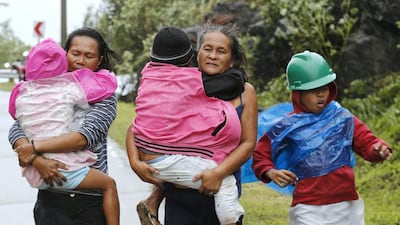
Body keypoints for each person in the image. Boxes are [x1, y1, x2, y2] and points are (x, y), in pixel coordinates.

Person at [127, 21, 257, 225]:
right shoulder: (183, 86)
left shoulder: (245, 92)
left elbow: (248, 143)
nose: (213, 55)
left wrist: (218, 173)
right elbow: (139, 127)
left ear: (232, 59)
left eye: (221, 51)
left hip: (220, 191)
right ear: (197, 55)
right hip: (181, 198)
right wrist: (135, 163)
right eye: (207, 49)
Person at [252, 50, 393, 225]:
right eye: (313, 90)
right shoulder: (287, 125)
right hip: (307, 207)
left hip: (347, 205)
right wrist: (270, 171)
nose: (321, 94)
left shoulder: (342, 117)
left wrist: (378, 149)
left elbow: (366, 141)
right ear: (298, 94)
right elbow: (261, 152)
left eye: (324, 88)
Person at [8, 27, 119, 225]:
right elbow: (17, 128)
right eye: (75, 53)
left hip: (88, 200)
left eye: (89, 56)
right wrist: (37, 160)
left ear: (99, 60)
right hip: (50, 201)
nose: (80, 61)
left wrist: (32, 150)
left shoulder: (104, 96)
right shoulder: (48, 88)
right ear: (65, 53)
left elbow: (84, 138)